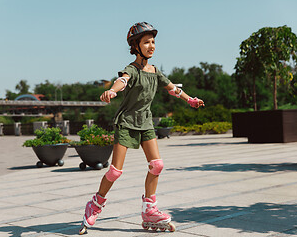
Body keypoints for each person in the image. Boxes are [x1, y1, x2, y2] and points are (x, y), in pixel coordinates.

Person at [79, 22, 204, 235]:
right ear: (135, 46)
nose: (151, 45)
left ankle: (149, 210)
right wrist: (112, 91)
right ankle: (95, 203)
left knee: (157, 165)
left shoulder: (155, 72)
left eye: (153, 41)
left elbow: (173, 88)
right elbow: (122, 80)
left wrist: (189, 99)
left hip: (145, 122)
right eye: (146, 42)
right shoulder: (132, 69)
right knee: (115, 171)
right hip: (127, 122)